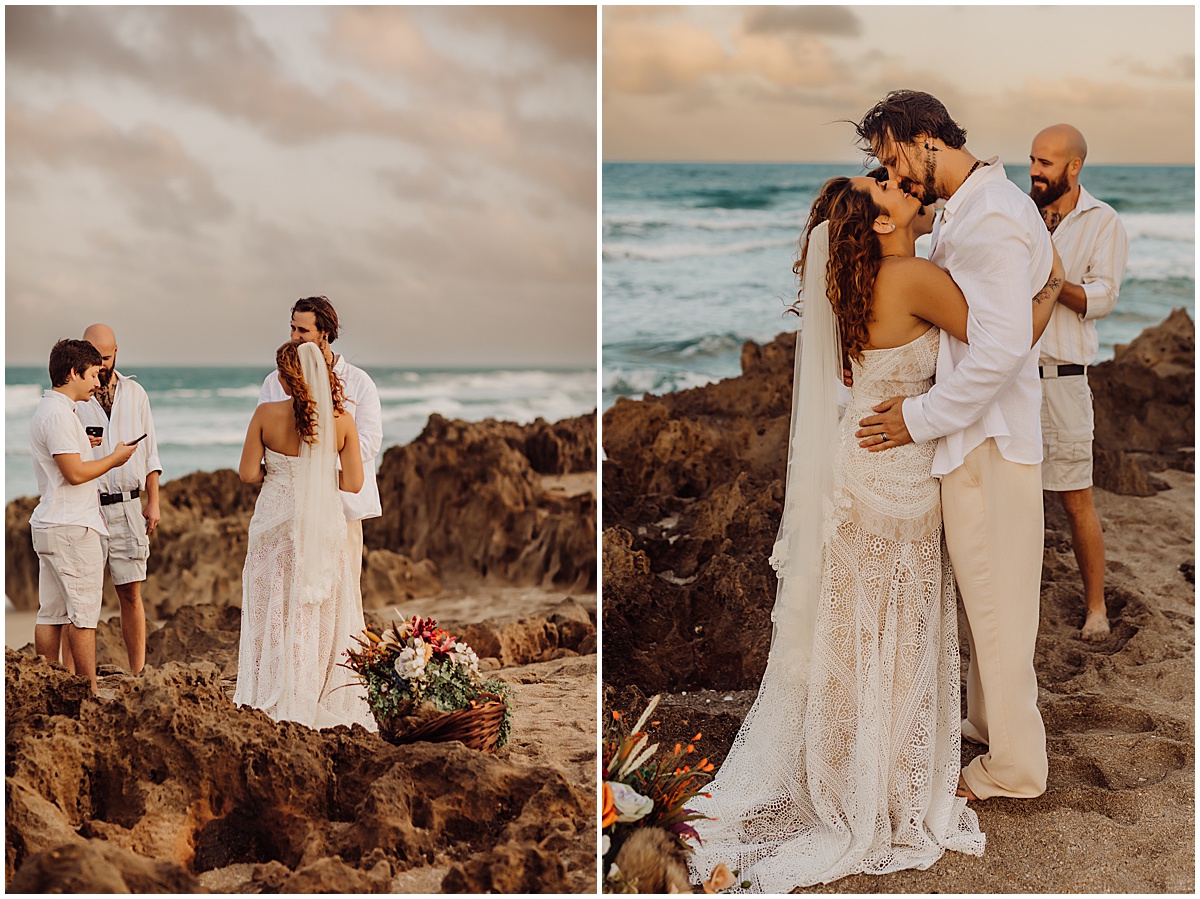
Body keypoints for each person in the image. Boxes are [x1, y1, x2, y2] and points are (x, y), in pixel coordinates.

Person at [686, 175, 1062, 892]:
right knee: (901, 628)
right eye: (884, 187)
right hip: (903, 475)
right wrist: (1047, 291)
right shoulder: (914, 277)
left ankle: (851, 763)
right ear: (877, 219)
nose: (899, 184)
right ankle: (880, 784)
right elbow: (1000, 343)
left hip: (855, 464)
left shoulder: (849, 286)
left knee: (856, 631)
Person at [853, 90, 1057, 802]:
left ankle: (1014, 768)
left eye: (891, 156)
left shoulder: (993, 215)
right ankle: (984, 722)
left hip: (986, 439)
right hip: (979, 436)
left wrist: (919, 416)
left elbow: (998, 349)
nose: (894, 174)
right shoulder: (973, 210)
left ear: (925, 136)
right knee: (985, 593)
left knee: (998, 603)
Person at [233, 340, 376, 730]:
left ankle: (277, 687)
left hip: (273, 519)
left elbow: (247, 473)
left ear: (283, 376)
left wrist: (279, 476)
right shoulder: (341, 421)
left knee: (275, 606)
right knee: (319, 608)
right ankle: (315, 690)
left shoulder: (265, 413)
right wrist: (318, 473)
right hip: (322, 520)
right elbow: (353, 483)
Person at [1029, 124, 1129, 641]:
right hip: (1012, 378)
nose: (1034, 171)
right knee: (1016, 495)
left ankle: (1096, 608)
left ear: (1073, 167)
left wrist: (1048, 278)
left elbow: (1102, 299)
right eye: (1032, 160)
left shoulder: (1102, 221)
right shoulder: (1021, 214)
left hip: (1065, 382)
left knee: (1076, 499)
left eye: (1045, 163)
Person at [258, 297, 382, 611]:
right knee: (290, 599)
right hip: (291, 511)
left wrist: (318, 465)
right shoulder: (275, 381)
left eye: (302, 330)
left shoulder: (358, 382)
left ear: (324, 334)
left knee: (343, 598)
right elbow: (268, 438)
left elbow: (369, 441)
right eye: (292, 328)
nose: (294, 336)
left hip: (342, 508)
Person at [29, 339, 139, 693]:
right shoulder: (60, 415)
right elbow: (75, 474)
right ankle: (87, 691)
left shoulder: (51, 411)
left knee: (52, 613)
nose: (97, 383)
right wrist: (115, 458)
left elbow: (65, 464)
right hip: (72, 527)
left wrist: (84, 449)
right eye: (93, 375)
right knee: (83, 615)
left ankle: (47, 686)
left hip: (51, 523)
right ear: (74, 372)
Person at [75, 323, 162, 675]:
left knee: (130, 594)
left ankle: (138, 673)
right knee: (83, 600)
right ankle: (81, 678)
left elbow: (151, 453)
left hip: (128, 506)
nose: (101, 364)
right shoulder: (76, 396)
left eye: (106, 357)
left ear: (116, 353)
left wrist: (152, 502)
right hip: (88, 507)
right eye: (94, 357)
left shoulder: (136, 393)